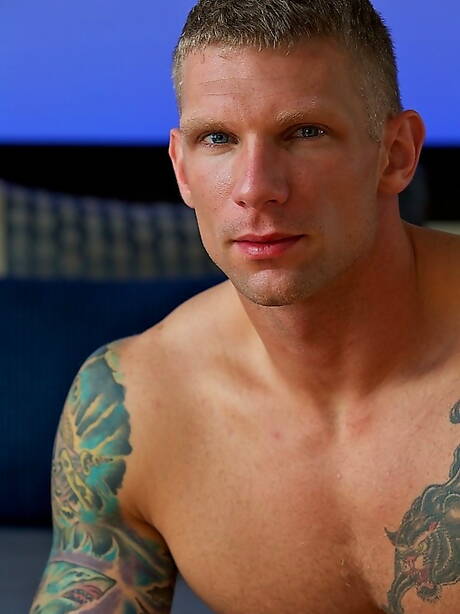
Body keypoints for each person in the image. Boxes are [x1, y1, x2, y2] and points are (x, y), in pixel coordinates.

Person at [31, 1, 460, 613]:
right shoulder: (136, 405)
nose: (256, 187)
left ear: (395, 154)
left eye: (305, 133)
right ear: (182, 168)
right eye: (218, 139)